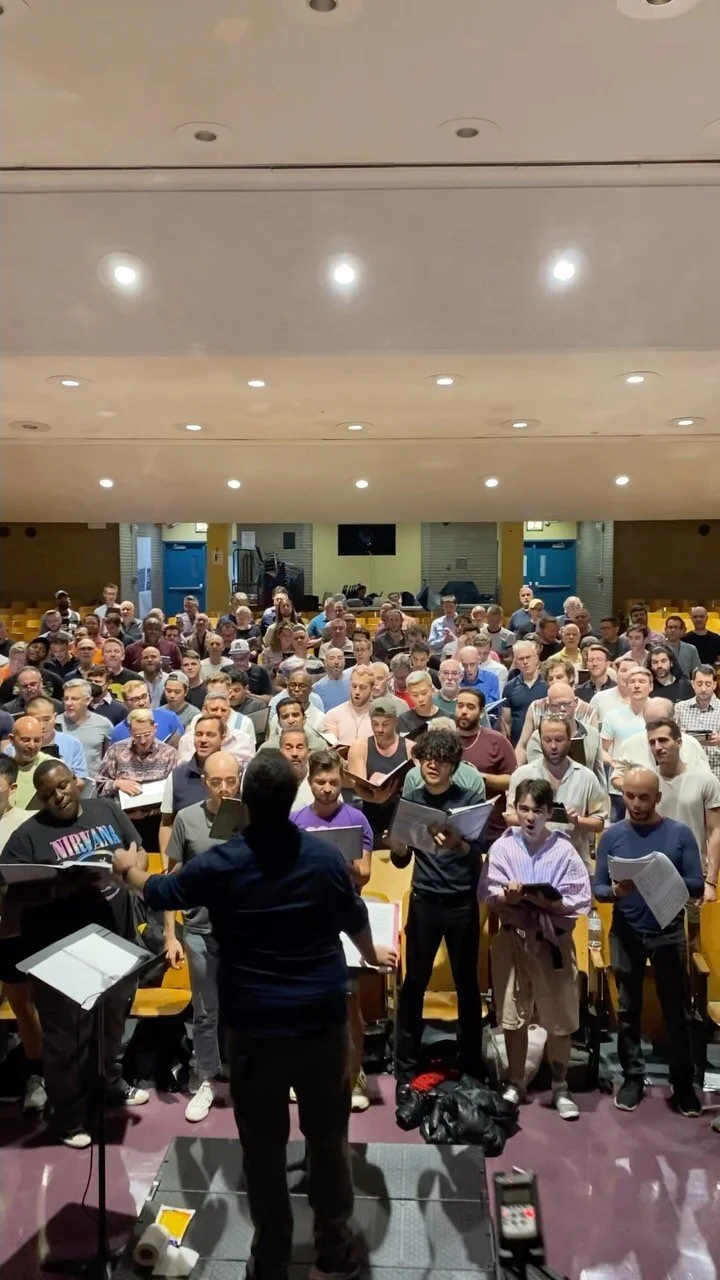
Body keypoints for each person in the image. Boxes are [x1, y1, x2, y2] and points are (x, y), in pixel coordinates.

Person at [114, 749, 396, 1280]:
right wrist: (369, 951)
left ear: (244, 800)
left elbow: (160, 891)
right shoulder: (323, 859)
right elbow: (354, 916)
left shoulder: (222, 862)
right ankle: (334, 1247)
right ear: (292, 798)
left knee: (263, 1146)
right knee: (328, 1138)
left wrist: (130, 869)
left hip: (254, 1028)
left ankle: (271, 1256)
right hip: (319, 1023)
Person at [0, 761, 149, 1146]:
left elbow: (139, 852)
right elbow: (11, 896)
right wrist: (63, 886)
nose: (58, 797)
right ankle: (70, 1118)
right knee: (65, 1039)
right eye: (48, 794)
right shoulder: (27, 836)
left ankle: (110, 1084)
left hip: (115, 941)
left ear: (76, 782)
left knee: (111, 1025)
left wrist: (132, 868)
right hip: (58, 953)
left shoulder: (106, 810)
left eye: (63, 786)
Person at [594, 767, 703, 1116]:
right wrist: (616, 890)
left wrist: (664, 877)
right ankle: (632, 1079)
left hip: (667, 929)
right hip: (626, 929)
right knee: (628, 1010)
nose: (636, 804)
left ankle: (682, 1085)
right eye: (630, 796)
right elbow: (599, 888)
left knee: (676, 1011)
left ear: (658, 797)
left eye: (644, 797)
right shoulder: (612, 836)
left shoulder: (680, 834)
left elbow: (697, 884)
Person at [481, 778, 591, 1119]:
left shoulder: (563, 849)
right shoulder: (502, 847)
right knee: (512, 1015)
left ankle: (560, 1086)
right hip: (513, 938)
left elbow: (581, 897)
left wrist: (553, 904)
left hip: (552, 940)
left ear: (548, 813)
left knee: (558, 1018)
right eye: (524, 809)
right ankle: (516, 1082)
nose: (530, 817)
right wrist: (507, 897)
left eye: (538, 811)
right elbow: (487, 891)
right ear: (515, 809)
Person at [391, 729, 487, 1086]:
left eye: (441, 760)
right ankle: (405, 1066)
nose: (432, 765)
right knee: (414, 982)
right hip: (424, 901)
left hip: (461, 902)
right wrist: (398, 848)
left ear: (453, 766)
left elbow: (477, 856)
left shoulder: (468, 800)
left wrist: (459, 845)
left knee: (466, 984)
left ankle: (470, 1066)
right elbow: (402, 859)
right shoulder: (411, 800)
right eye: (427, 759)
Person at [293, 748, 374, 1111]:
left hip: (346, 918)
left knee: (350, 1003)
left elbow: (365, 874)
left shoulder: (357, 819)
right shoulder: (296, 821)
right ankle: (307, 1075)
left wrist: (343, 863)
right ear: (310, 782)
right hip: (306, 923)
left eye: (333, 782)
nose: (327, 789)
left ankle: (354, 1075)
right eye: (320, 782)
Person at [162, 750, 241, 1122]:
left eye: (231, 780)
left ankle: (249, 1073)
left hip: (244, 931)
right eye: (216, 781)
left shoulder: (252, 818)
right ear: (205, 782)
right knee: (206, 1011)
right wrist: (170, 935)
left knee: (248, 1006)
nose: (224, 788)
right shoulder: (186, 818)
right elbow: (171, 879)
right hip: (199, 929)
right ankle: (207, 1076)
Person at [507, 715, 608, 867]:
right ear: (540, 741)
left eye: (559, 740)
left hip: (573, 863)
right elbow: (510, 817)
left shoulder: (586, 777)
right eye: (547, 740)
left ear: (569, 740)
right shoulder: (522, 775)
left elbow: (599, 823)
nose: (553, 746)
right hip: (531, 862)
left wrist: (576, 820)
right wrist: (537, 817)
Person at [0, 757, 43, 1112]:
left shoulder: (29, 824)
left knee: (25, 1008)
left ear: (12, 788)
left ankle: (38, 1075)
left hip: (15, 932)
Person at [646, 718, 720, 901]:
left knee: (691, 920)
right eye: (652, 742)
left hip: (692, 874)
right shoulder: (646, 781)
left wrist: (711, 881)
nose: (657, 747)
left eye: (663, 740)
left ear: (679, 742)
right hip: (653, 875)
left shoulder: (705, 780)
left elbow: (715, 832)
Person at [158, 715, 226, 858]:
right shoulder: (176, 776)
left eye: (210, 735)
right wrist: (166, 863)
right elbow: (166, 824)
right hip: (187, 862)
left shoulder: (237, 775)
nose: (203, 740)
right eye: (199, 734)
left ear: (223, 737)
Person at [346, 698, 411, 842]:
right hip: (371, 816)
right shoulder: (360, 747)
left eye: (385, 724)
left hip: (401, 819)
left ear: (396, 721)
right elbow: (358, 785)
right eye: (375, 724)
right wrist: (376, 798)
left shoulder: (410, 748)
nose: (379, 729)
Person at [524, 681, 605, 787]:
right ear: (549, 706)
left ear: (575, 702)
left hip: (585, 792)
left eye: (567, 704)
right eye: (556, 705)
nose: (562, 709)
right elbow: (537, 776)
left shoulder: (593, 735)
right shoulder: (538, 737)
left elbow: (599, 776)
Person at [177, 693, 254, 767]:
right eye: (214, 709)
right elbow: (181, 770)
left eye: (224, 710)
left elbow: (249, 770)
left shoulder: (243, 739)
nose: (219, 714)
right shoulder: (187, 740)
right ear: (203, 711)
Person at [21, 696, 89, 780]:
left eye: (46, 719)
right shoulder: (14, 747)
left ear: (55, 717)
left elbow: (81, 779)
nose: (42, 725)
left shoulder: (72, 744)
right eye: (36, 720)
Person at [56, 679, 112, 778]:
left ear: (88, 700)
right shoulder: (55, 724)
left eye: (74, 699)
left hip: (93, 784)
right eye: (66, 698)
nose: (68, 703)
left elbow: (108, 759)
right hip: (62, 783)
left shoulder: (103, 724)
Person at [676, 665, 720, 782]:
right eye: (699, 684)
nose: (703, 689)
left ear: (715, 685)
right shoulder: (680, 708)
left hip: (716, 772)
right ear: (693, 684)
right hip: (687, 773)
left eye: (708, 684)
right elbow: (671, 737)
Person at [110, 680, 184, 746]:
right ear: (125, 704)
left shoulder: (170, 718)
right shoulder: (117, 732)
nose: (141, 703)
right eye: (135, 699)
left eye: (144, 696)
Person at [503, 641, 548, 746]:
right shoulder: (509, 687)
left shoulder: (548, 684)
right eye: (521, 659)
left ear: (536, 659)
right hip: (517, 744)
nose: (525, 662)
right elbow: (506, 722)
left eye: (528, 657)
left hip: (544, 743)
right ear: (516, 662)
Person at [6, 717, 53, 808]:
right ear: (12, 740)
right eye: (26, 740)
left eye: (37, 740)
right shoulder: (3, 769)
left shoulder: (52, 768)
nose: (32, 746)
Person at [324, 665, 376, 746]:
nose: (357, 692)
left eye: (362, 687)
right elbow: (331, 745)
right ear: (349, 686)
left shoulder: (379, 717)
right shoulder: (333, 714)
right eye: (354, 686)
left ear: (372, 690)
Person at [398, 670, 443, 736]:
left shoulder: (447, 717)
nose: (420, 699)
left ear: (432, 690)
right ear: (409, 695)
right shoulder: (403, 720)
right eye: (415, 695)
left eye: (424, 693)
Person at [313, 647, 351, 712]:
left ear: (344, 661)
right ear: (325, 663)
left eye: (340, 658)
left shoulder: (353, 681)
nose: (336, 662)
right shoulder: (317, 688)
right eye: (332, 658)